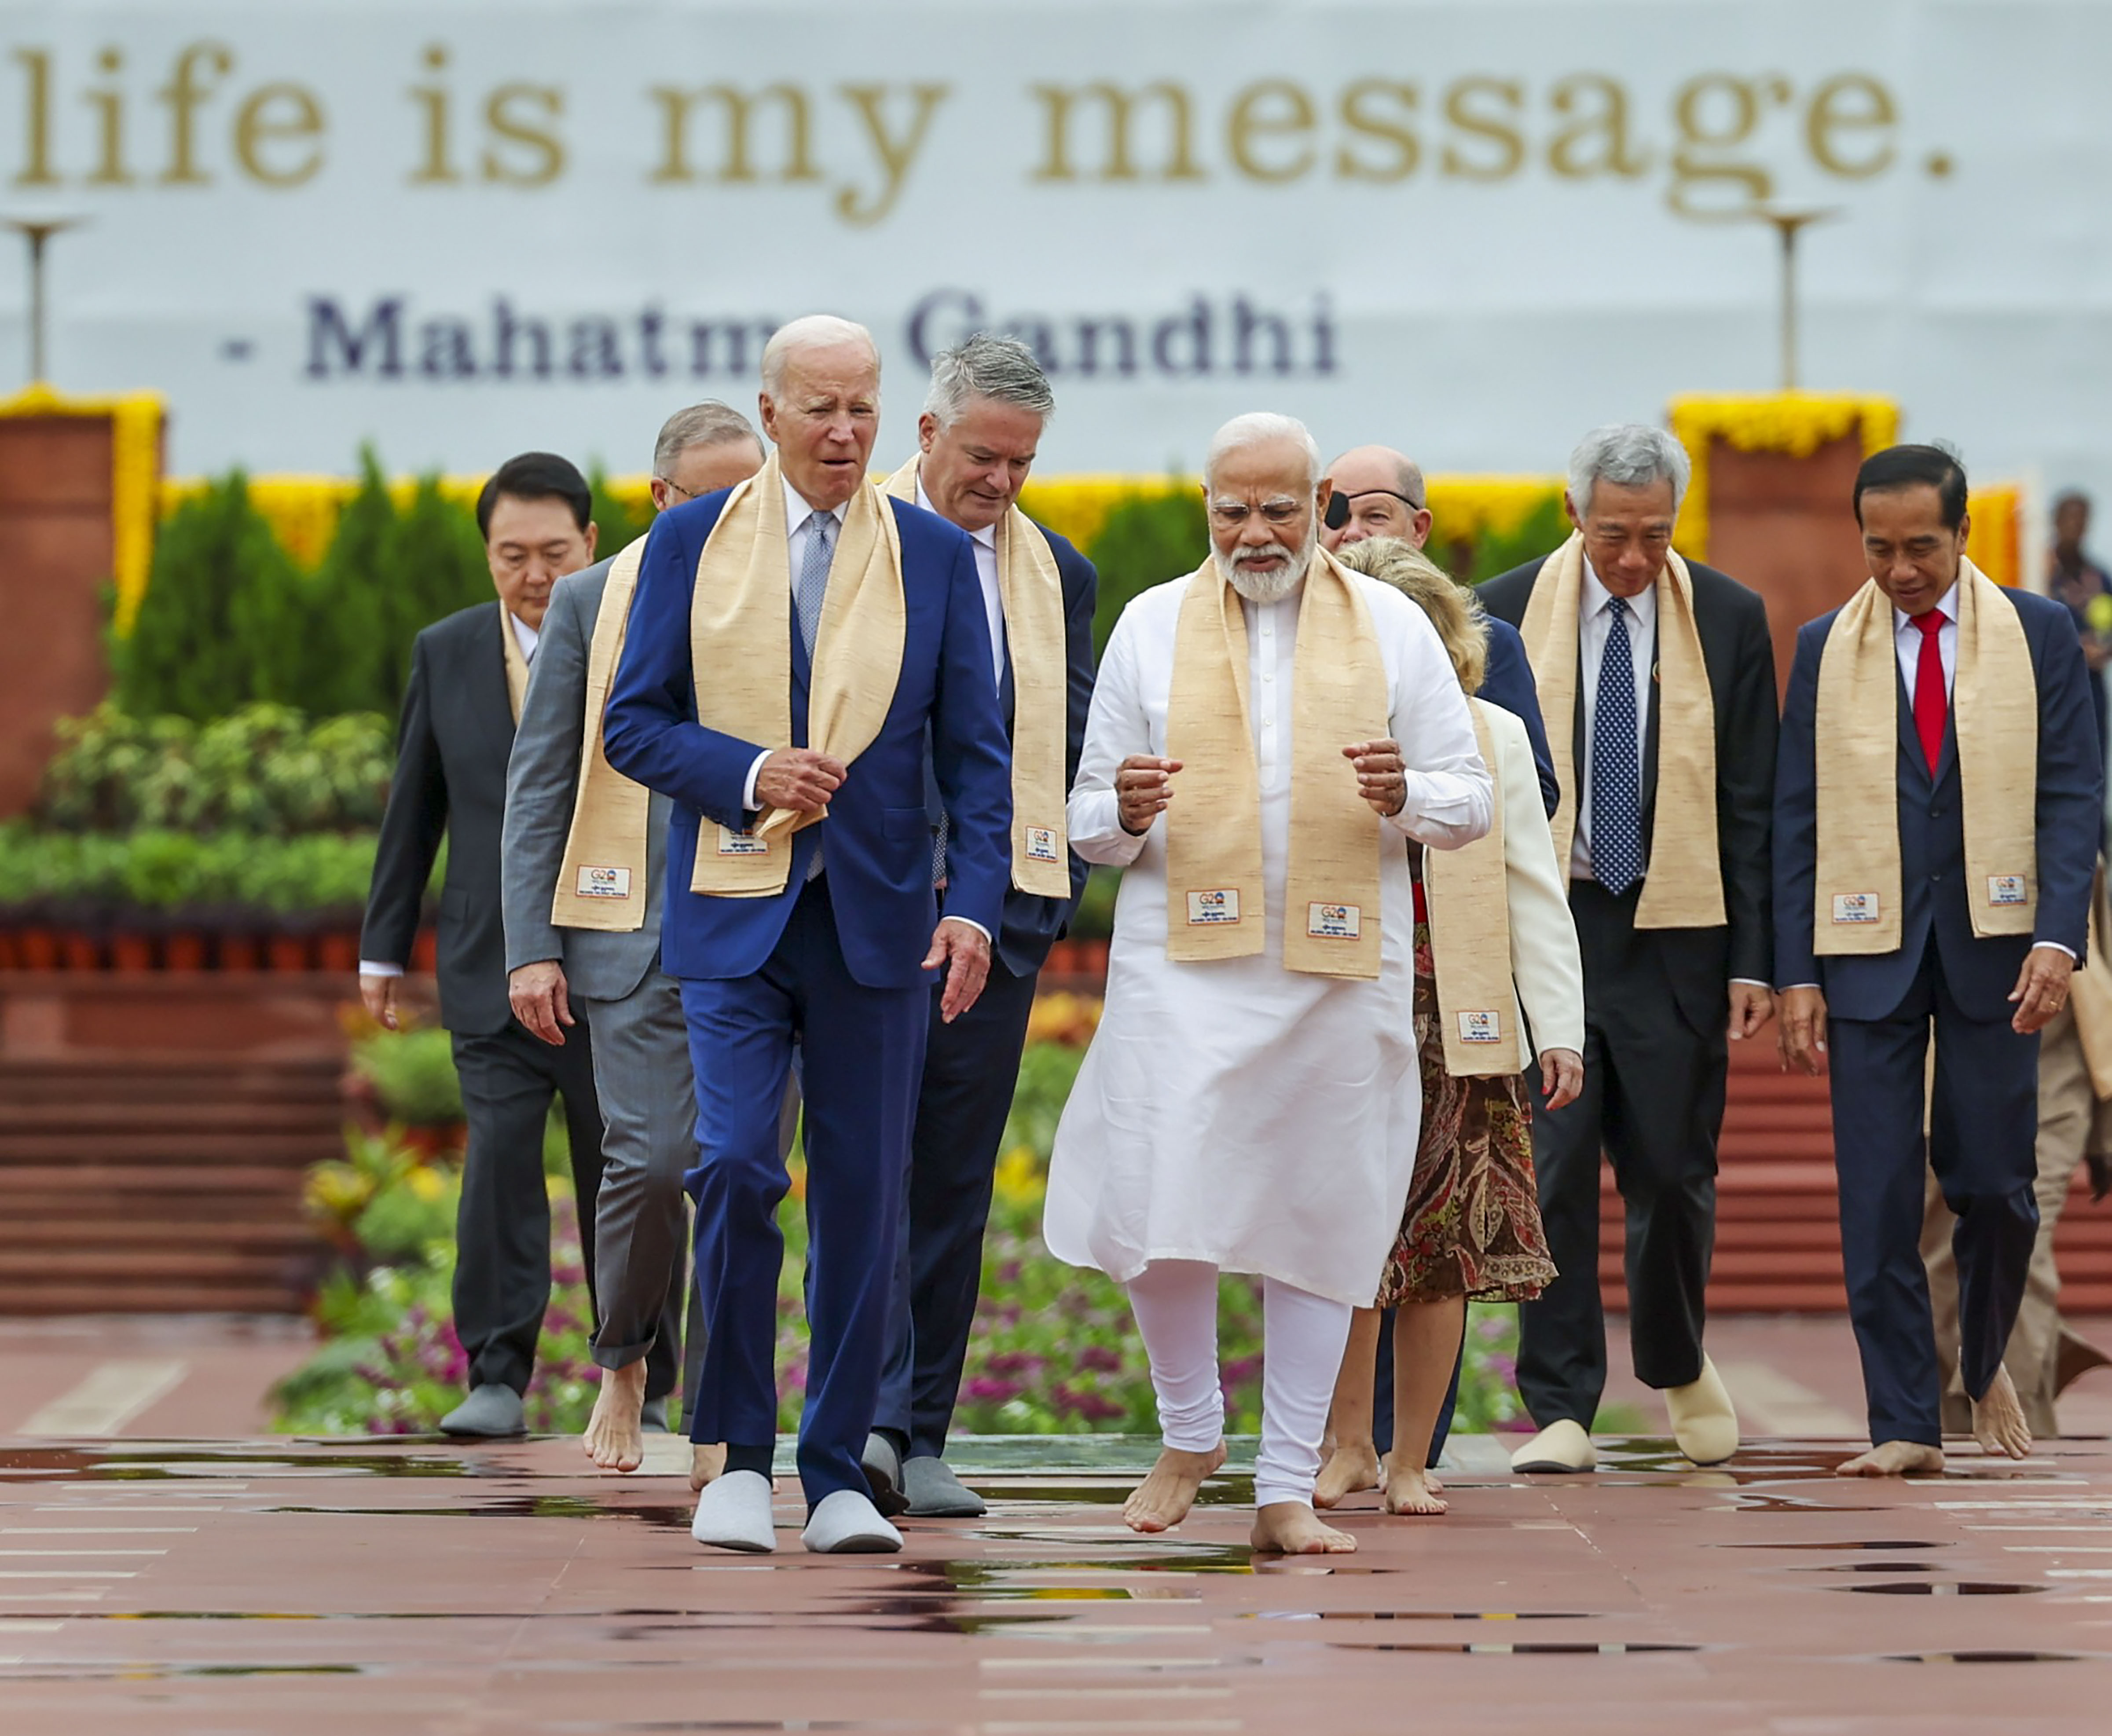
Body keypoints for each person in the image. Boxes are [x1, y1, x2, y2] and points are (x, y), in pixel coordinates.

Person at [1045, 412, 1492, 1556]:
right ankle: (1192, 1430)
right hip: (1182, 969)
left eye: (1280, 510)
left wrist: (1407, 794)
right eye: (1233, 511)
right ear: (1208, 509)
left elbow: (1472, 800)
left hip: (1337, 976)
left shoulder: (1392, 625)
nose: (1255, 533)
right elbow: (1084, 820)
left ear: (1320, 508)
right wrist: (1123, 811)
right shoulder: (1152, 624)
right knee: (1155, 1205)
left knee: (1320, 1220)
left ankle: (1288, 1483)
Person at [602, 315, 1011, 1556]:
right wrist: (748, 772)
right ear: (769, 411)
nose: (843, 432)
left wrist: (972, 903)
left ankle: (836, 1472)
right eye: (819, 408)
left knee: (864, 1198)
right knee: (732, 1165)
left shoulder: (932, 554)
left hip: (879, 925)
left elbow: (977, 757)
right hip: (735, 912)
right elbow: (634, 724)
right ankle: (734, 1455)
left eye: (862, 408)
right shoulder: (691, 540)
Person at [1776, 443, 2101, 1474]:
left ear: (1962, 533)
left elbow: (2071, 794)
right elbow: (1795, 816)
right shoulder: (1826, 645)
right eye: (1879, 549)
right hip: (1865, 948)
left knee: (1995, 1184)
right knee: (1874, 1195)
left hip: (1998, 951)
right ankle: (1904, 1422)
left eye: (1921, 546)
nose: (1901, 569)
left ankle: (1986, 1353)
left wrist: (2057, 937)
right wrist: (1795, 970)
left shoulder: (2037, 632)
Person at [1478, 424, 1778, 1473]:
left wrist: (1753, 958)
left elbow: (1751, 799)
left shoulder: (1727, 616)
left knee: (1673, 1169)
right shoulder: (1504, 609)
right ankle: (1561, 1404)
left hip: (1677, 933)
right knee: (1553, 1171)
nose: (1635, 559)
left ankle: (1676, 1357)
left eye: (1656, 535)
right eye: (1614, 534)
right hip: (1549, 927)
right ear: (1574, 515)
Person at [501, 403, 767, 1480]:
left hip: (761, 922)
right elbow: (540, 781)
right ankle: (623, 1360)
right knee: (651, 1163)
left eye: (753, 494)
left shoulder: (799, 590)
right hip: (628, 929)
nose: (738, 515)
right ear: (662, 499)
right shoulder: (590, 599)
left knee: (740, 1174)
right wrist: (531, 943)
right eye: (713, 497)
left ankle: (719, 1407)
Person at [866, 335, 1097, 1520]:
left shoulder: (1060, 574)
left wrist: (1044, 898)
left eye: (1021, 463)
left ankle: (919, 1434)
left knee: (953, 1185)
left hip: (997, 925)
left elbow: (1071, 747)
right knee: (865, 1170)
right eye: (981, 457)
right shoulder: (850, 544)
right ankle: (861, 1421)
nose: (1000, 483)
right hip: (866, 915)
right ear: (926, 434)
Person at [1314, 538, 1584, 1516]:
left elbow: (1532, 888)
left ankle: (1408, 1461)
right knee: (1338, 1238)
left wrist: (1558, 1027)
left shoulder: (1493, 734)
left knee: (1442, 1245)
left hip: (1455, 1017)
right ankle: (1347, 1445)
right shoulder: (1307, 729)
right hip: (1338, 1006)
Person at [359, 453, 610, 1439]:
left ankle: (642, 1373)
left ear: (591, 544)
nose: (535, 574)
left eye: (554, 552)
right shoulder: (449, 649)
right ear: (488, 554)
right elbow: (415, 807)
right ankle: (497, 1375)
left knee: (625, 1179)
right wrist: (384, 948)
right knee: (498, 1169)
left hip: (608, 962)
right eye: (513, 555)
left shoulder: (633, 637)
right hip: (485, 963)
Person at [1922, 866, 2112, 1438]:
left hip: (2057, 1068)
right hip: (1948, 1058)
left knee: (2021, 1238)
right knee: (1942, 1259)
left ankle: (2023, 1423)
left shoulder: (2076, 844)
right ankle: (1951, 1420)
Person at [1322, 445, 1557, 817]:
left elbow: (1536, 793)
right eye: (1334, 516)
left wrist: (1423, 798)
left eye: (1376, 516)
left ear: (1419, 528)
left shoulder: (1483, 641)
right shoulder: (1290, 633)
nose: (1352, 532)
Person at [2049, 491, 2112, 757]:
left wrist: (2103, 651)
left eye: (2082, 520)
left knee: (2093, 756)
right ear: (2056, 522)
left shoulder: (2099, 578)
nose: (2076, 527)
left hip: (2091, 686)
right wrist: (2074, 648)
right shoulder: (2043, 574)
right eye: (2070, 519)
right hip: (2054, 683)